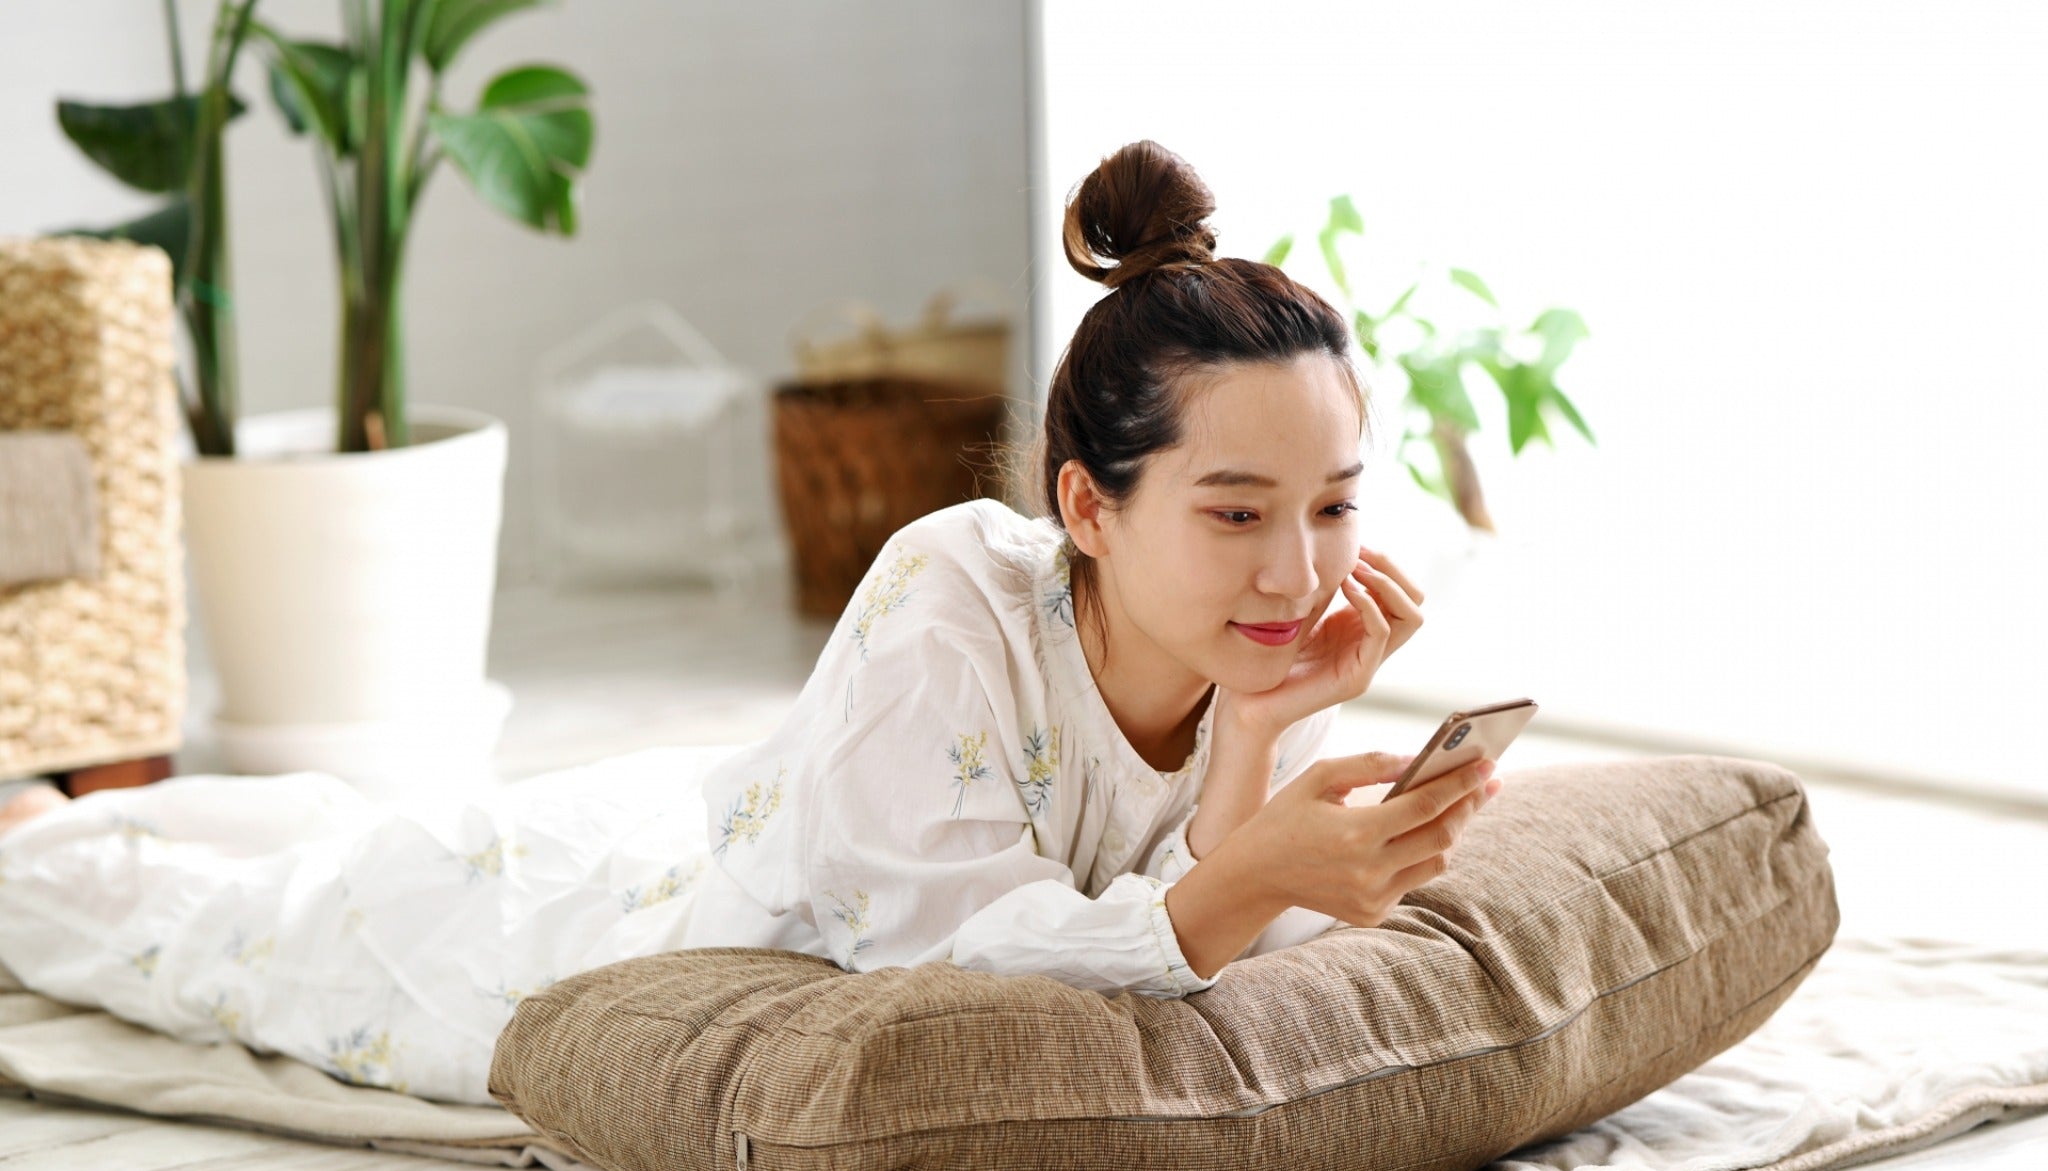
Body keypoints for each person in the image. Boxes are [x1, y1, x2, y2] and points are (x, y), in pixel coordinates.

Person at [0, 140, 1502, 1106]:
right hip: (624, 937)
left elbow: (1178, 919)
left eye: (1335, 505)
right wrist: (1244, 878)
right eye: (1237, 511)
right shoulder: (952, 599)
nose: (1300, 572)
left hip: (687, 822)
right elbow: (964, 970)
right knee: (219, 930)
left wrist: (1254, 736)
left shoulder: (1258, 663)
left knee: (315, 838)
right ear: (1089, 506)